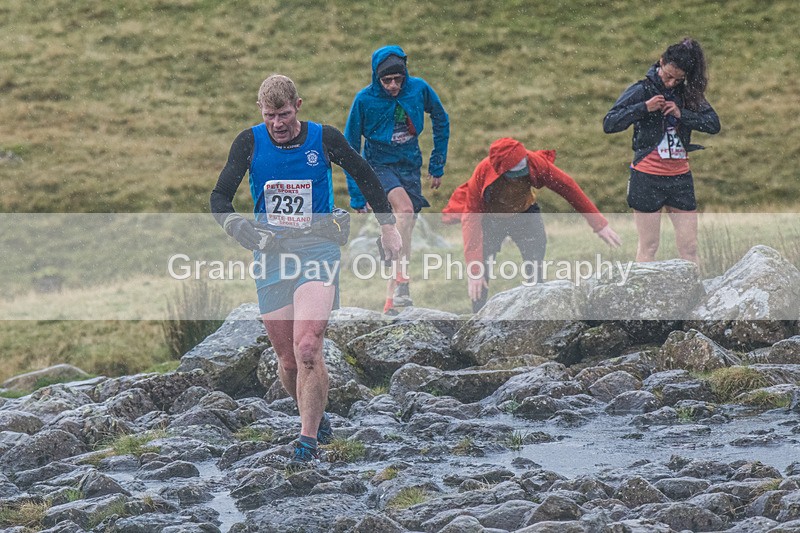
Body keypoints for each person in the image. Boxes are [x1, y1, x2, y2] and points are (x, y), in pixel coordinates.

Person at [210, 74, 402, 465]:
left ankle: (307, 441)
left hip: (318, 249)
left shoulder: (324, 138)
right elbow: (218, 199)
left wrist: (388, 226)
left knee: (309, 346)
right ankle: (316, 417)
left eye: (282, 114)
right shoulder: (248, 142)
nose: (277, 124)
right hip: (271, 255)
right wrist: (239, 228)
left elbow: (365, 175)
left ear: (297, 105)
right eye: (269, 116)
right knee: (288, 361)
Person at [442, 137, 621, 312]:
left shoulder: (534, 162)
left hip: (525, 214)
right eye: (514, 175)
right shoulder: (482, 172)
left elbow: (568, 187)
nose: (520, 177)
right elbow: (470, 220)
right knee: (482, 270)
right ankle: (477, 318)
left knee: (535, 263)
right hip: (491, 219)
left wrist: (599, 224)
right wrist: (474, 269)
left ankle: (537, 313)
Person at [344, 45, 450, 315]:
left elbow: (441, 118)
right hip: (378, 164)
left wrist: (437, 164)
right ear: (376, 78)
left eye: (398, 79)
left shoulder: (419, 88)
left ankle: (395, 295)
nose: (393, 86)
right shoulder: (364, 100)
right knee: (403, 210)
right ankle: (402, 275)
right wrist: (357, 193)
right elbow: (350, 146)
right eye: (386, 80)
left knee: (408, 225)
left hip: (410, 164)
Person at [603, 37, 720, 264]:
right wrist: (643, 108)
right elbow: (609, 123)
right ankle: (642, 298)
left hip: (680, 178)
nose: (670, 83)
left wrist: (681, 114)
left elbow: (714, 124)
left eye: (678, 80)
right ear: (660, 62)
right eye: (667, 76)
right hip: (647, 177)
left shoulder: (688, 94)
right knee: (650, 246)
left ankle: (695, 296)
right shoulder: (641, 89)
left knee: (690, 248)